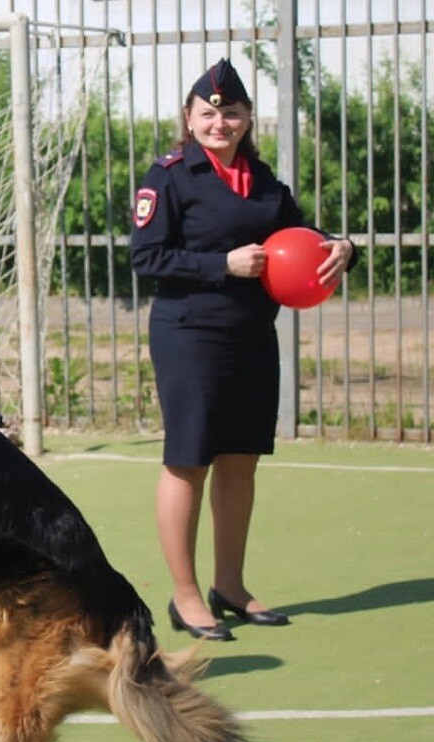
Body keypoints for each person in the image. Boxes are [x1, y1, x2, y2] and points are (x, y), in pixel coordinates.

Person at [129, 59, 355, 642]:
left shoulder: (265, 182)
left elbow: (305, 239)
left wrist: (343, 247)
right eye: (208, 113)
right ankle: (184, 595)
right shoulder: (170, 177)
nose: (219, 123)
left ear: (248, 117)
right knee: (189, 459)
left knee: (241, 459)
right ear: (189, 117)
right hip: (189, 334)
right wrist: (220, 264)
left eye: (230, 113)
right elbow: (145, 257)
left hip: (252, 334)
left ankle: (230, 585)